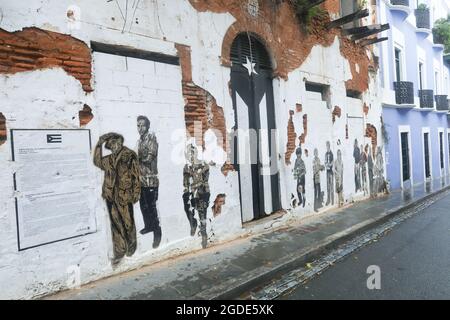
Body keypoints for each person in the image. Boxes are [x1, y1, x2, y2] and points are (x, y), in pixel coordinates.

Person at [93, 133, 140, 265]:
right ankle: (120, 251)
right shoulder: (108, 159)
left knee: (128, 223)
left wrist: (136, 192)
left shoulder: (129, 155)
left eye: (114, 144)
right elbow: (97, 161)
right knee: (115, 224)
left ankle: (131, 247)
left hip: (124, 194)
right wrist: (98, 144)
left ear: (120, 142)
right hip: (110, 195)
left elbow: (136, 174)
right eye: (110, 145)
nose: (113, 147)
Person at [137, 116, 162, 249]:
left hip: (151, 180)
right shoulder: (140, 141)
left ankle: (157, 234)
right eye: (138, 126)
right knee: (143, 206)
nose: (140, 128)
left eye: (142, 125)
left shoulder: (152, 139)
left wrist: (137, 158)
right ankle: (148, 226)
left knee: (152, 209)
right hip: (142, 180)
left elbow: (149, 157)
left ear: (148, 126)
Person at [183, 144, 210, 249]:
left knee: (202, 213)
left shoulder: (203, 165)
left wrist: (196, 187)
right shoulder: (186, 167)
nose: (190, 155)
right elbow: (185, 183)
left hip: (202, 192)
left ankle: (204, 235)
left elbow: (205, 180)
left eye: (192, 153)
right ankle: (193, 223)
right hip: (193, 193)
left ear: (196, 154)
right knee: (186, 205)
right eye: (188, 153)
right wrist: (188, 193)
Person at [313, 148, 325, 212]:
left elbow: (319, 166)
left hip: (318, 178)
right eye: (315, 152)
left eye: (317, 152)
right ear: (314, 153)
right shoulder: (314, 160)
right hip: (315, 178)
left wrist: (322, 167)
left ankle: (319, 204)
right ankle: (315, 207)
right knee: (316, 193)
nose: (316, 153)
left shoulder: (318, 159)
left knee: (319, 191)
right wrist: (320, 167)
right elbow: (316, 168)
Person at [324, 141, 334, 206]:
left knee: (331, 186)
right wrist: (326, 164)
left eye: (328, 145)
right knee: (328, 186)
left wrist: (329, 164)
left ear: (329, 146)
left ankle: (332, 200)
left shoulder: (331, 154)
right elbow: (325, 161)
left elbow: (332, 161)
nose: (327, 147)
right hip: (327, 172)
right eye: (326, 145)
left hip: (331, 172)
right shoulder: (325, 154)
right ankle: (328, 200)